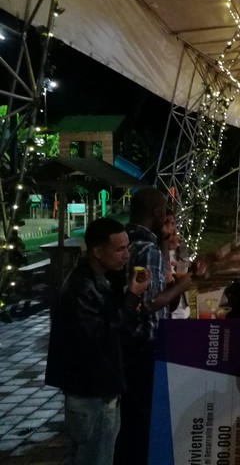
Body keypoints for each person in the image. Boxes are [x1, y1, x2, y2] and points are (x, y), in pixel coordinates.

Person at [46, 218, 151, 465]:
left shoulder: (103, 279)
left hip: (103, 386)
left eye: (127, 247)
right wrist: (131, 297)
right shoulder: (80, 288)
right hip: (91, 391)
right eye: (119, 249)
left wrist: (131, 295)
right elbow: (103, 334)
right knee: (94, 457)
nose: (127, 255)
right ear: (97, 251)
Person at [115, 187, 202, 465]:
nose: (167, 216)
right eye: (164, 210)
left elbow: (161, 277)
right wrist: (187, 283)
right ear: (155, 212)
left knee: (131, 420)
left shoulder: (127, 240)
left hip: (125, 342)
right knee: (143, 421)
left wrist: (164, 241)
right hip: (145, 345)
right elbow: (151, 302)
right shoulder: (147, 248)